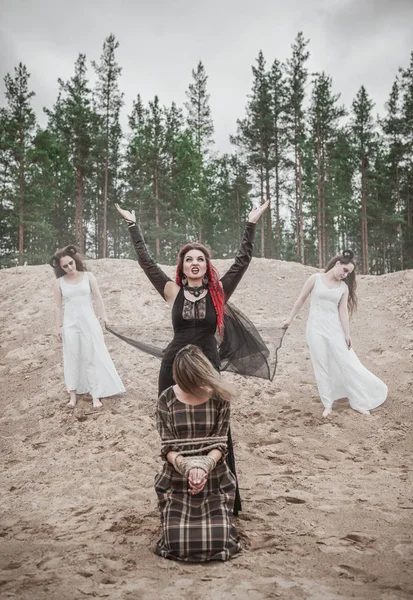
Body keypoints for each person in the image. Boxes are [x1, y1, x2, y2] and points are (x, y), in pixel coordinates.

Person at [114, 200, 270, 515]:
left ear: (206, 265)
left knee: (216, 427)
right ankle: (177, 491)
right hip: (173, 364)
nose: (195, 263)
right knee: (171, 426)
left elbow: (242, 261)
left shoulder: (219, 292)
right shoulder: (172, 291)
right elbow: (146, 263)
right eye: (189, 259)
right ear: (182, 266)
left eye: (200, 259)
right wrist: (133, 225)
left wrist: (250, 224)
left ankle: (225, 498)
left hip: (208, 365)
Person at [155, 344, 241, 562]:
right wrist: (188, 467)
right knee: (178, 542)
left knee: (217, 540)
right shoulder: (166, 399)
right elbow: (167, 449)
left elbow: (221, 445)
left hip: (214, 476)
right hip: (177, 476)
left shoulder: (220, 398)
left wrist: (202, 467)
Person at [282, 249, 388, 417]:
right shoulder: (315, 279)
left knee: (347, 363)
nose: (345, 275)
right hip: (315, 329)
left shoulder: (343, 288)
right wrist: (289, 319)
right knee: (321, 365)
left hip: (335, 330)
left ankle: (359, 400)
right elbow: (301, 299)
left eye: (349, 273)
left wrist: (347, 334)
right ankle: (327, 404)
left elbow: (343, 311)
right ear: (338, 264)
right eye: (345, 270)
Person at [51, 245, 125, 408]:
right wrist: (57, 327)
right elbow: (57, 306)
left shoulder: (88, 276)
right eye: (65, 266)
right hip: (70, 326)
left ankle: (95, 395)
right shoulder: (59, 283)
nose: (70, 268)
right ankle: (72, 395)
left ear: (75, 260)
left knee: (91, 358)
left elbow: (98, 298)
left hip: (89, 323)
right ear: (61, 267)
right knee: (71, 358)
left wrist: (104, 316)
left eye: (71, 263)